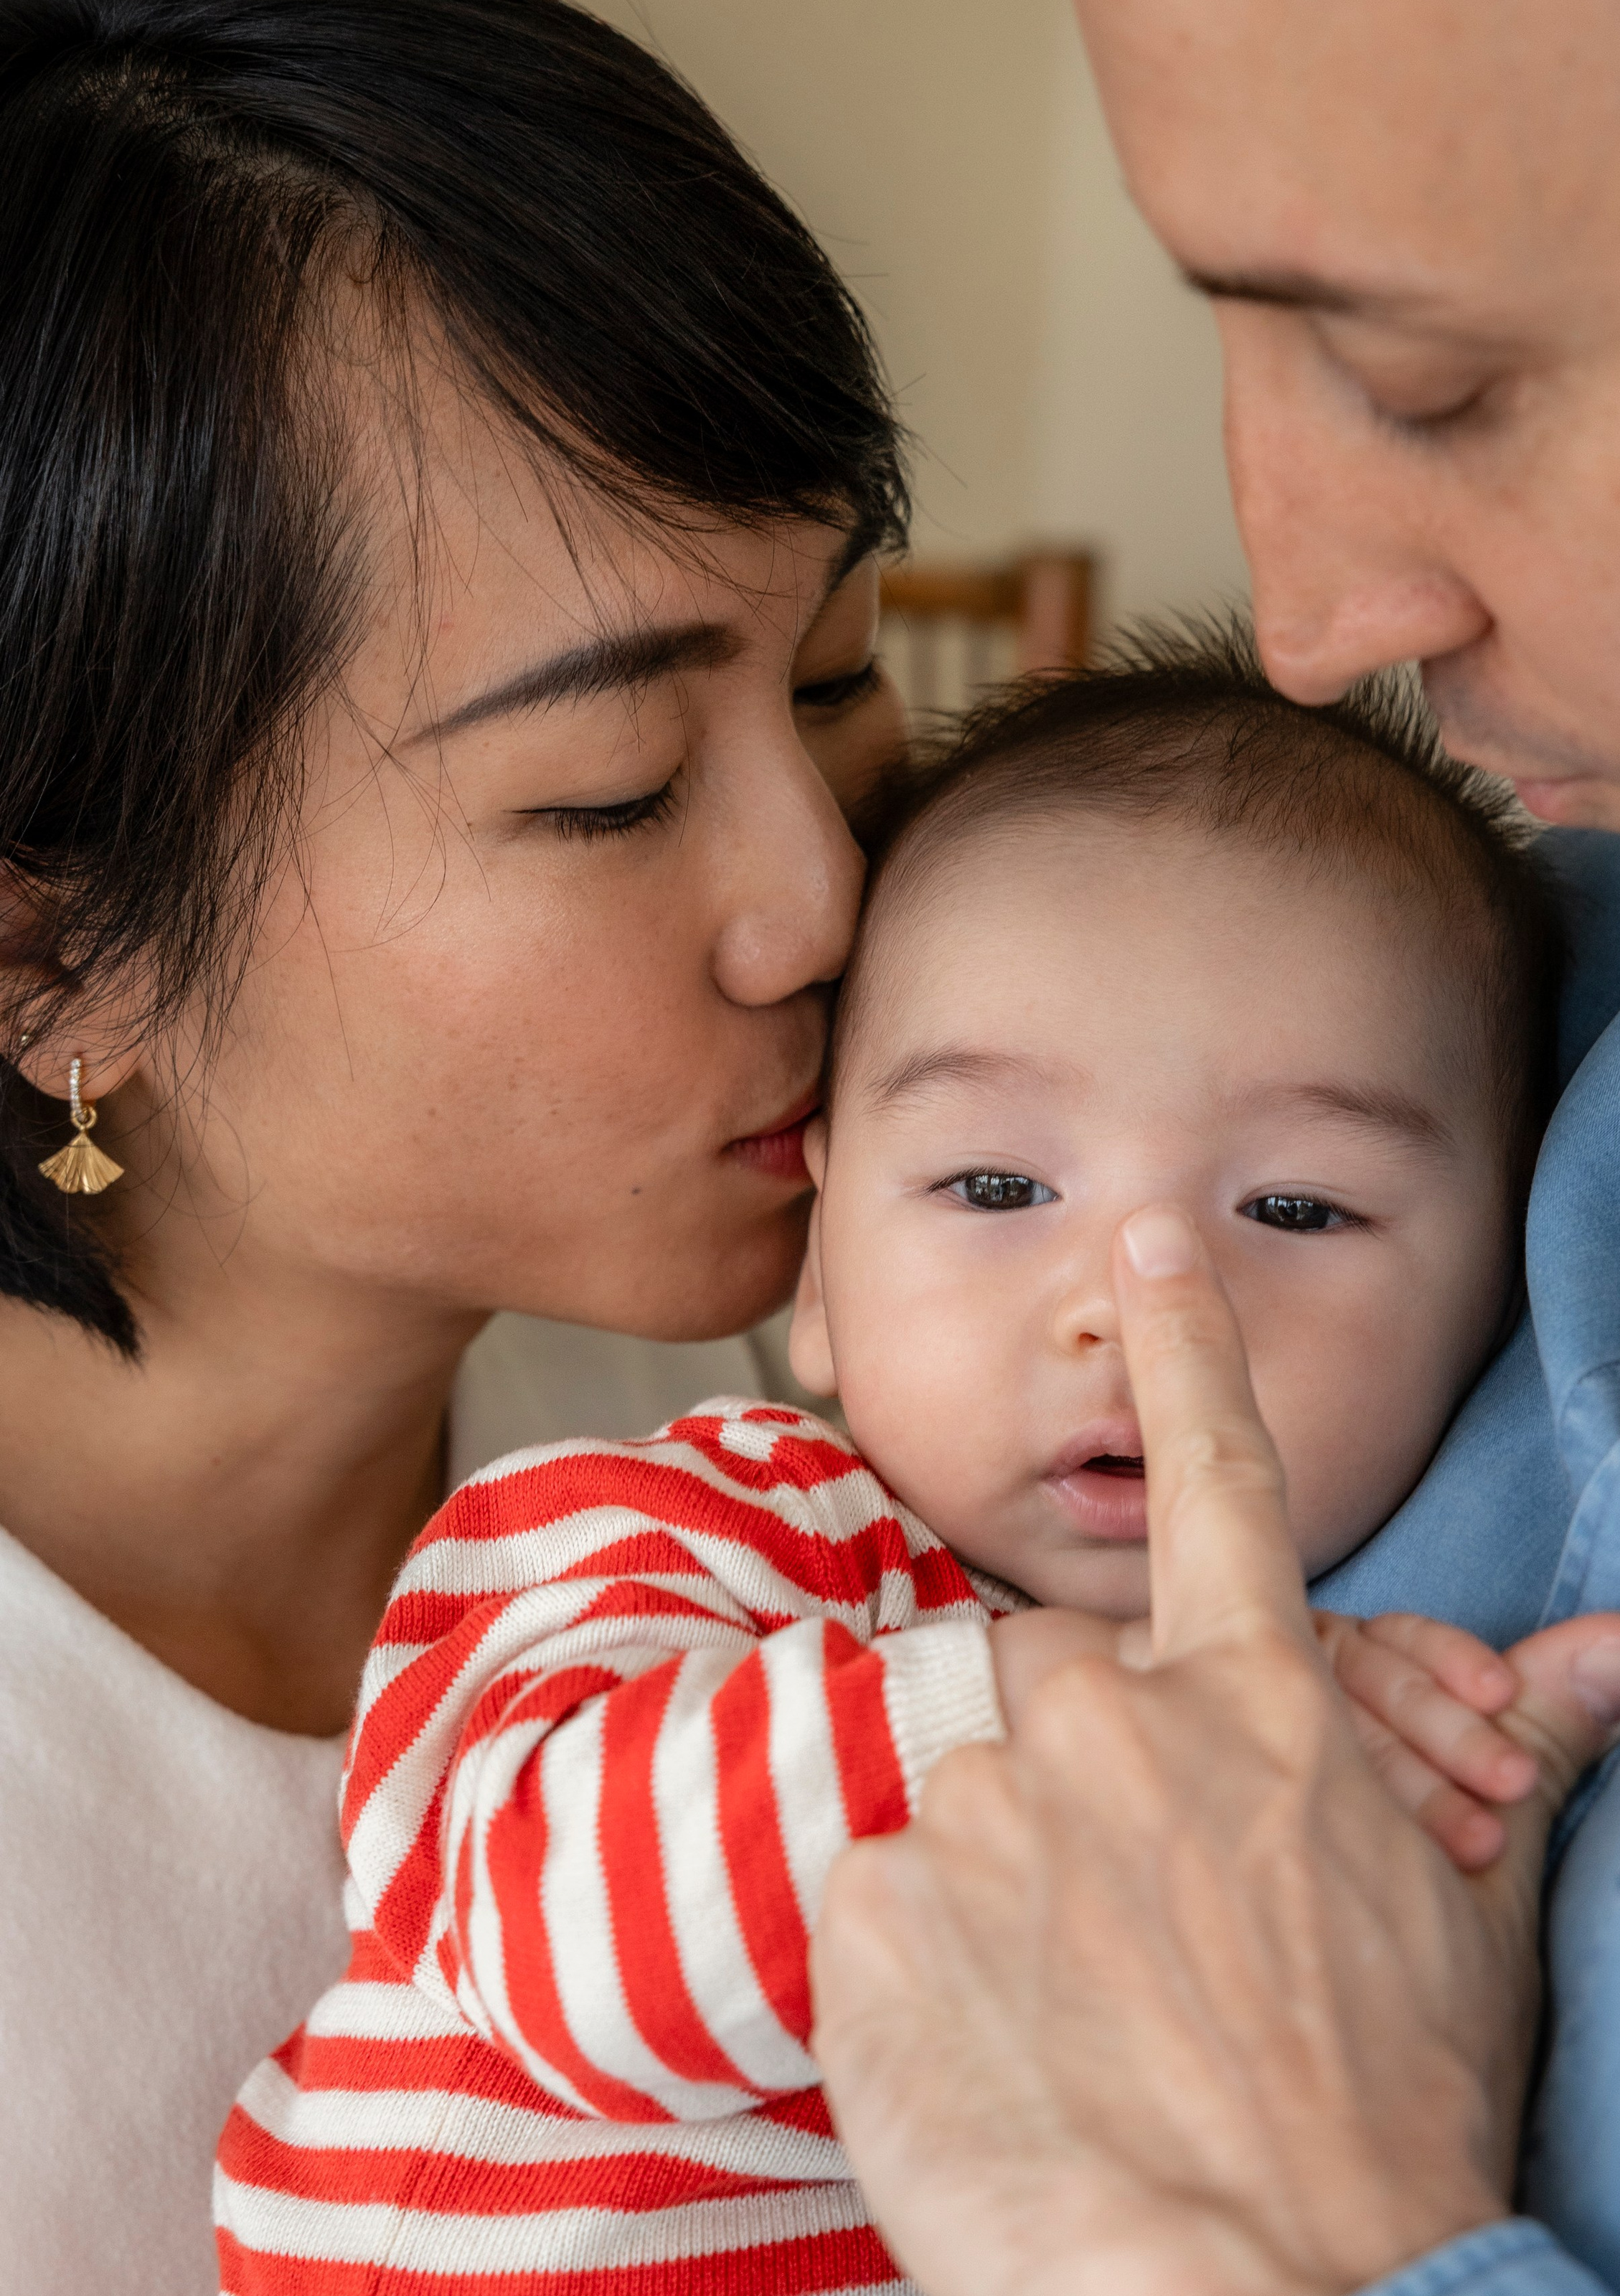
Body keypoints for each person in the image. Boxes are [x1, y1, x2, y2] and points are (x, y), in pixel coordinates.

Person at [806, 4, 1620, 2295]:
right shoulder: (1562, 938)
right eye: (995, 1189)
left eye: (1437, 382)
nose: (1318, 624)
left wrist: (1318, 2235)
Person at [215, 632, 1620, 2292]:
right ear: (819, 1264)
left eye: (1297, 1209)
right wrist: (1023, 1697)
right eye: (992, 1188)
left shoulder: (1367, 1662)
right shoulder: (690, 1531)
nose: (1127, 1308)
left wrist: (1483, 1782)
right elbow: (556, 1942)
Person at [0, 1, 909, 2287]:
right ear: (53, 966)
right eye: (609, 789)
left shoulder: (790, 1448)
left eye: (836, 675)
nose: (821, 896)